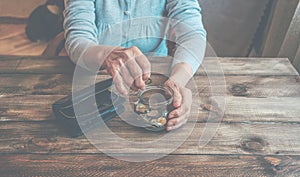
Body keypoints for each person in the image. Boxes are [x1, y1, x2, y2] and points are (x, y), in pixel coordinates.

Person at [63, 0, 207, 131]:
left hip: (157, 85)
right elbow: (78, 39)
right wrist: (106, 55)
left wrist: (179, 81)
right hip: (96, 85)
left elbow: (192, 35)